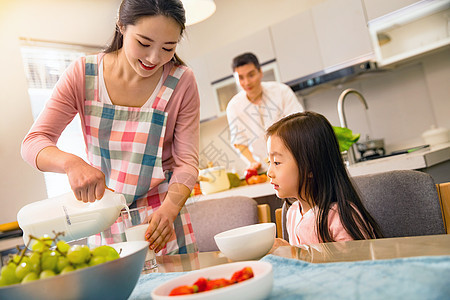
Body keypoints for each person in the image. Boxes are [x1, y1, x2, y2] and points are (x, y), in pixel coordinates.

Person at [21, 0, 200, 255]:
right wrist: (72, 164)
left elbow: (187, 162)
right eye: (144, 43)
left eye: (167, 48)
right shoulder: (83, 74)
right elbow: (34, 141)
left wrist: (170, 209)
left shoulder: (182, 81)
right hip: (104, 219)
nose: (154, 58)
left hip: (163, 220)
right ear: (121, 26)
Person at [266, 111, 383, 245]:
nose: (269, 172)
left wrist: (293, 253)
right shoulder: (292, 213)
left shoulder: (339, 217)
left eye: (276, 162)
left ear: (310, 167)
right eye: (269, 162)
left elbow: (355, 263)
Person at [226, 52, 304, 172]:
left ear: (260, 72)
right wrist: (252, 162)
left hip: (292, 163)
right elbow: (239, 142)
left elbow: (299, 124)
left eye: (251, 75)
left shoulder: (281, 91)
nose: (246, 82)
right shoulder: (233, 106)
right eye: (241, 78)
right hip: (264, 169)